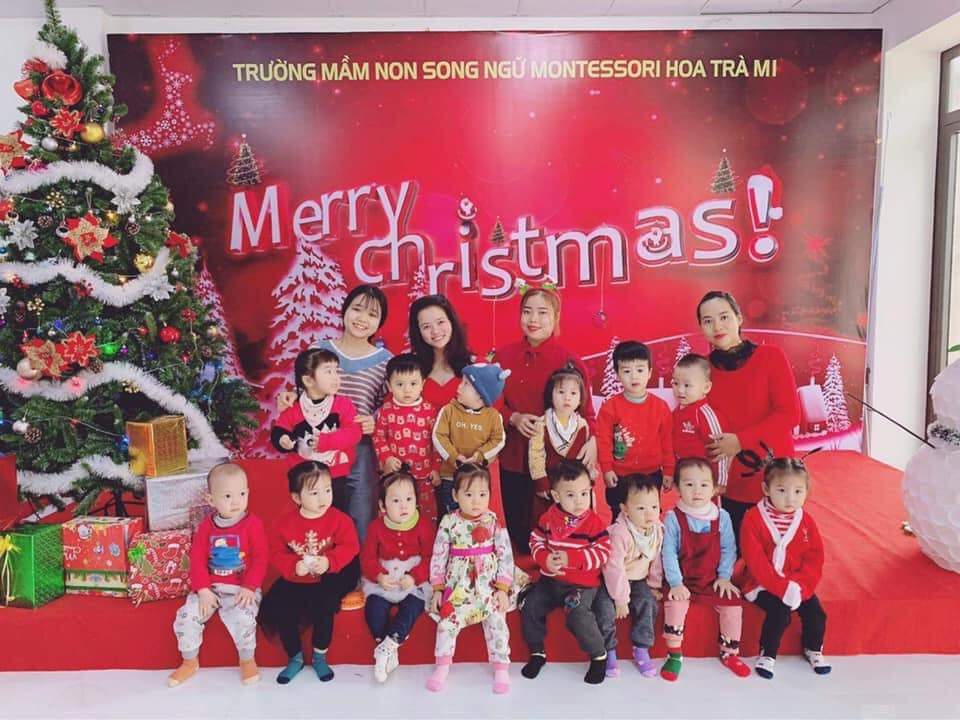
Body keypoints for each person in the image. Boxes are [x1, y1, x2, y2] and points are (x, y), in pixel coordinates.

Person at [279, 285, 392, 541]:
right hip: (317, 444)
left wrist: (374, 420)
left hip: (360, 448)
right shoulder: (319, 349)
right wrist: (289, 396)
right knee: (317, 512)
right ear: (344, 311)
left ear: (379, 323)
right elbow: (303, 389)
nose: (362, 319)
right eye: (357, 309)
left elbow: (387, 406)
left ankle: (358, 565)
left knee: (362, 514)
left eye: (372, 314)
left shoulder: (385, 361)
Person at [496, 281, 597, 553]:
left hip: (557, 465)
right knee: (521, 536)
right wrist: (513, 417)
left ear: (556, 317)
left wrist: (593, 442)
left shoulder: (569, 361)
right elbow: (493, 405)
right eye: (527, 311)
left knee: (560, 533)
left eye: (542, 313)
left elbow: (587, 413)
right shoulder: (504, 357)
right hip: (515, 457)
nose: (534, 319)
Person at [696, 290, 800, 542]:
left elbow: (789, 414)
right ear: (701, 328)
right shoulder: (701, 370)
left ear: (739, 318)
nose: (717, 326)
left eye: (724, 317)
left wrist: (740, 441)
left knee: (778, 549)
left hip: (775, 478)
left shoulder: (770, 357)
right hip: (730, 482)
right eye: (708, 321)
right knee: (738, 552)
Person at [258, 462, 361, 685]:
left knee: (325, 606)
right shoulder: (283, 524)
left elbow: (350, 546)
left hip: (330, 575)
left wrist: (329, 561)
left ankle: (319, 656)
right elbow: (274, 551)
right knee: (282, 608)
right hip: (297, 575)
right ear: (297, 497)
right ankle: (294, 657)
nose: (323, 498)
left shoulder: (340, 519)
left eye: (327, 490)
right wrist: (293, 565)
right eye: (314, 493)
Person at [169, 463, 268, 687]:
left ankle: (247, 660)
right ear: (211, 500)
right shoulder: (206, 527)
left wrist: (250, 587)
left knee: (243, 618)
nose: (236, 502)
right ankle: (189, 661)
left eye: (242, 494)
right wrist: (203, 590)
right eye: (227, 496)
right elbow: (197, 559)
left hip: (241, 588)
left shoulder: (253, 524)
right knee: (186, 616)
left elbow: (261, 559)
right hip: (211, 588)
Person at [426, 462, 516, 695]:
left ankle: (501, 667)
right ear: (455, 495)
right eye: (469, 494)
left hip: (488, 586)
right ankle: (442, 666)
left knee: (497, 621)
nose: (476, 501)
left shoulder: (493, 521)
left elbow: (505, 554)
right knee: (446, 623)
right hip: (458, 587)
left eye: (482, 494)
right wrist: (438, 589)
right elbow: (439, 555)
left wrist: (502, 589)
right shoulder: (449, 522)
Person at [521, 460, 612, 685]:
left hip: (581, 585)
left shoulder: (594, 523)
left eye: (584, 493)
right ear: (556, 496)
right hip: (551, 581)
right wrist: (544, 558)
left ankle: (598, 655)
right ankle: (537, 651)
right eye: (571, 495)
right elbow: (536, 540)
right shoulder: (548, 518)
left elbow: (603, 552)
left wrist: (573, 559)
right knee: (530, 605)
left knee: (577, 614)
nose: (579, 501)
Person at [659, 457, 749, 681]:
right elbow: (668, 552)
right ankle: (674, 654)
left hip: (712, 578)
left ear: (715, 488)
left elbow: (729, 548)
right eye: (689, 484)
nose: (697, 491)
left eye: (704, 484)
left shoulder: (722, 517)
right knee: (675, 605)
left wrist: (724, 577)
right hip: (682, 578)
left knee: (733, 603)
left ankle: (729, 653)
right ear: (677, 488)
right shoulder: (672, 518)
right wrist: (676, 583)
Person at [740, 457, 831, 679]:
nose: (790, 498)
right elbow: (756, 561)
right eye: (781, 490)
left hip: (797, 583)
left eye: (798, 491)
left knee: (816, 613)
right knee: (780, 612)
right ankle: (767, 653)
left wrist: (800, 586)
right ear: (766, 489)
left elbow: (814, 559)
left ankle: (813, 648)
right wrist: (781, 588)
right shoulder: (752, 519)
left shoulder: (806, 521)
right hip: (762, 583)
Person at [360, 469, 436, 683]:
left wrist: (414, 577)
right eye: (396, 501)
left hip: (412, 578)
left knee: (412, 607)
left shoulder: (423, 525)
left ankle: (390, 644)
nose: (404, 506)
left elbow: (430, 557)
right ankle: (384, 646)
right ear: (382, 506)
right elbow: (367, 558)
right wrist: (379, 576)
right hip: (386, 576)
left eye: (409, 499)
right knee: (374, 608)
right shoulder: (376, 527)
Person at [272, 348, 361, 514]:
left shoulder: (343, 405)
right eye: (328, 372)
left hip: (335, 476)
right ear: (308, 380)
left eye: (336, 371)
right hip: (303, 477)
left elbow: (354, 433)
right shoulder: (293, 408)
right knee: (307, 515)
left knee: (336, 514)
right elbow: (279, 431)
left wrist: (326, 441)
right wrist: (283, 440)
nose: (336, 377)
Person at [594, 473, 664, 679]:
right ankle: (608, 650)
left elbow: (656, 559)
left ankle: (641, 648)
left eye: (654, 506)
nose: (649, 513)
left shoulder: (657, 529)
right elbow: (613, 568)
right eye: (641, 508)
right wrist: (621, 599)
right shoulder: (619, 533)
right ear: (625, 509)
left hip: (638, 579)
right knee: (604, 609)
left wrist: (654, 584)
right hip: (611, 581)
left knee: (648, 604)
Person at [597, 341, 674, 519]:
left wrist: (669, 470)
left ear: (650, 372)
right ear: (617, 374)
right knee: (619, 515)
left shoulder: (660, 407)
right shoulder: (610, 408)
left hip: (652, 474)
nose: (634, 377)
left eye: (640, 370)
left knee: (649, 516)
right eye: (626, 371)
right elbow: (603, 441)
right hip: (620, 474)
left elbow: (667, 441)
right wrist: (607, 469)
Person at [528, 363, 611, 525]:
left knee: (580, 523)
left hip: (576, 488)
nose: (567, 398)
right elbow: (535, 455)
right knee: (549, 523)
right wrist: (541, 483)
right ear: (551, 395)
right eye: (561, 392)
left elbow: (587, 459)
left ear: (580, 399)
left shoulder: (582, 425)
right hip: (551, 486)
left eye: (573, 393)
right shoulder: (541, 424)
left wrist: (588, 479)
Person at [431, 363, 509, 516]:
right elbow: (438, 435)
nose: (459, 386)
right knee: (451, 516)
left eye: (466, 384)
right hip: (450, 477)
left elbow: (498, 440)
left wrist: (480, 455)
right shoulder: (448, 410)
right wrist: (454, 456)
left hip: (477, 480)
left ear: (481, 396)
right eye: (462, 381)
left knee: (475, 516)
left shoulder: (493, 417)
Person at [373, 353, 440, 526]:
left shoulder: (429, 410)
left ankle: (426, 540)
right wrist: (387, 458)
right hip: (395, 475)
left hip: (424, 475)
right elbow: (378, 437)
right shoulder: (386, 410)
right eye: (400, 384)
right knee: (395, 511)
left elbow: (437, 442)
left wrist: (436, 468)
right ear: (389, 386)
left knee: (426, 515)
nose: (407, 390)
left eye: (413, 383)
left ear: (422, 384)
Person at [672, 353, 731, 496]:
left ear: (706, 387)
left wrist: (721, 482)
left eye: (687, 385)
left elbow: (722, 452)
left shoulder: (706, 415)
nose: (680, 390)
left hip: (705, 484)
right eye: (675, 383)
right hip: (684, 480)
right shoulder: (676, 412)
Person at [409, 294, 474, 409]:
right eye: (426, 326)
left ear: (451, 321)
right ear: (418, 332)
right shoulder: (409, 368)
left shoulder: (476, 365)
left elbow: (494, 409)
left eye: (440, 322)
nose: (435, 331)